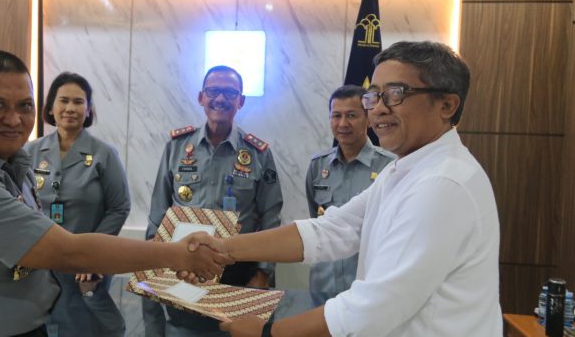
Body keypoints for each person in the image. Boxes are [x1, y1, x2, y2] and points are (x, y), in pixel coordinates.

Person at [185, 41, 502, 336]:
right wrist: (224, 247)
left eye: (394, 94)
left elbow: (378, 303)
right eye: (373, 95)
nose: (377, 109)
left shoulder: (442, 183)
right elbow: (330, 230)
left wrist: (268, 332)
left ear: (446, 105)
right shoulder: (402, 170)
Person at [0, 50, 231, 337]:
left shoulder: (13, 158)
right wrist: (178, 254)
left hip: (57, 294)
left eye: (24, 105)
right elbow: (69, 253)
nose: (14, 119)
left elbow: (119, 207)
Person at [143, 65, 283, 336]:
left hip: (239, 275)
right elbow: (159, 209)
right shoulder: (177, 147)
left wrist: (262, 274)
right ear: (201, 97)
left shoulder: (258, 153)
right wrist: (152, 264)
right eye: (213, 91)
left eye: (230, 93)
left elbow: (271, 216)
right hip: (184, 272)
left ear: (240, 101)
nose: (221, 99)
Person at [25, 72, 130, 336]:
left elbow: (120, 207)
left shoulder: (104, 154)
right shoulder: (30, 152)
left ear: (88, 109)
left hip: (85, 268)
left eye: (78, 102)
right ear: (51, 107)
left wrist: (94, 253)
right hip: (41, 264)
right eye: (63, 101)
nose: (70, 108)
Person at [306, 84, 394, 306]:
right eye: (336, 116)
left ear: (367, 118)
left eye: (351, 116)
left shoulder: (390, 166)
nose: (343, 123)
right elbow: (317, 222)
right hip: (323, 287)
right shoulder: (318, 167)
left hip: (369, 288)